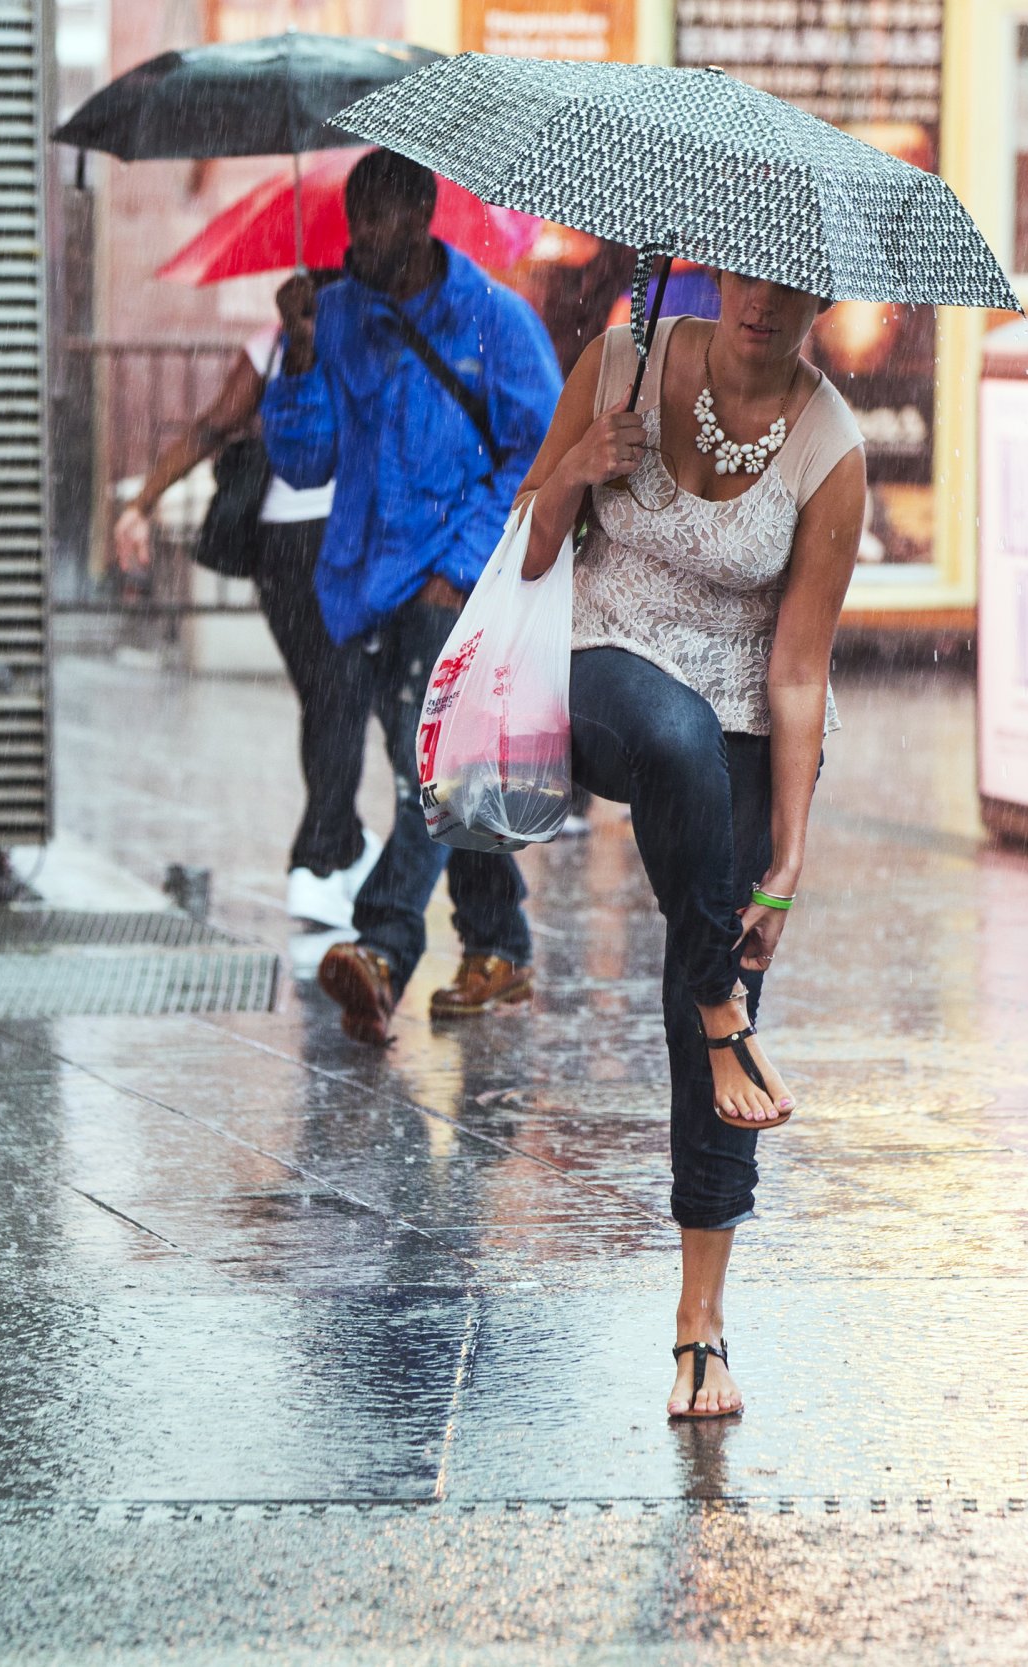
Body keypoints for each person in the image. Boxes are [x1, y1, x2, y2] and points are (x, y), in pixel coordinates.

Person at [514, 276, 866, 1421]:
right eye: (749, 271)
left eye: (795, 282)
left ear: (822, 292)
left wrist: (793, 857)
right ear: (719, 267)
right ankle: (727, 1003)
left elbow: (800, 667)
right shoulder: (622, 357)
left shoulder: (832, 448)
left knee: (709, 986)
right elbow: (524, 548)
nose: (767, 300)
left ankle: (700, 1326)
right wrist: (579, 465)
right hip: (603, 658)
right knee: (670, 739)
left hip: (747, 717)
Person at [262, 150, 562, 1047]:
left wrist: (462, 563)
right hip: (359, 586)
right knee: (444, 765)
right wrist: (304, 356)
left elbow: (537, 454)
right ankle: (498, 943)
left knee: (424, 765)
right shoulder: (333, 314)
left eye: (385, 219)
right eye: (358, 222)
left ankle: (385, 947)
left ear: (423, 213)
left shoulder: (494, 321)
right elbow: (302, 461)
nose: (367, 240)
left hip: (447, 581)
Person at [113, 275, 379, 930]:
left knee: (326, 697)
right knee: (340, 695)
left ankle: (342, 843)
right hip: (341, 540)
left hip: (278, 549)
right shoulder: (368, 341)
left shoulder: (269, 346)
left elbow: (209, 428)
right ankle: (317, 863)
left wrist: (142, 502)